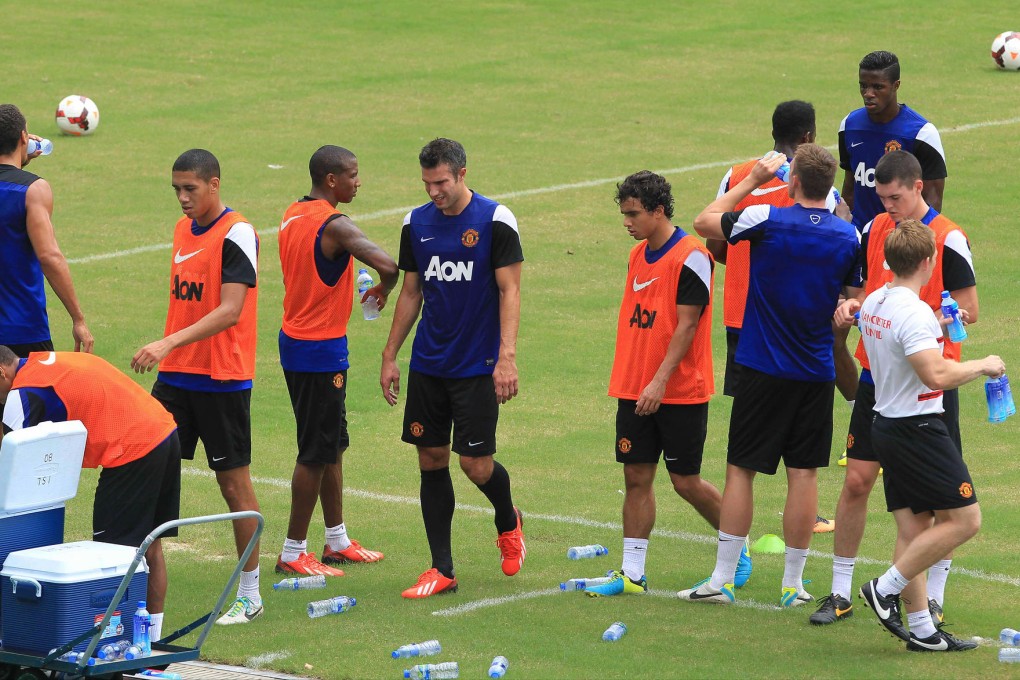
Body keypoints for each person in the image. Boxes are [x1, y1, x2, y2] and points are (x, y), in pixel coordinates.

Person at [679, 144, 860, 607]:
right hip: (816, 369)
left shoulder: (765, 218)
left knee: (741, 470)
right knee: (804, 475)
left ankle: (721, 580)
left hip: (761, 365)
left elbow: (704, 222)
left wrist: (754, 179)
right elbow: (854, 298)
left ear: (793, 180)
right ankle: (794, 586)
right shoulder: (847, 236)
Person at [813, 150, 978, 626]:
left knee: (941, 500)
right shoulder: (875, 231)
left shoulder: (948, 239)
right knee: (857, 480)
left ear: (918, 187)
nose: (888, 206)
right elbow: (863, 292)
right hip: (878, 378)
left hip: (931, 385)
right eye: (881, 197)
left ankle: (934, 597)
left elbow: (970, 309)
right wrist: (852, 308)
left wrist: (940, 316)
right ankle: (841, 590)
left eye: (896, 197)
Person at [585, 170, 751, 598]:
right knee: (636, 476)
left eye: (634, 213)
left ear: (659, 211)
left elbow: (687, 325)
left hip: (679, 389)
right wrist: (640, 380)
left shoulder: (693, 255)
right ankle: (632, 575)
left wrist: (659, 381)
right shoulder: (637, 255)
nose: (627, 222)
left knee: (685, 481)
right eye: (623, 213)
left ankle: (737, 543)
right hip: (632, 384)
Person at [380, 138, 525, 599]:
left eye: (441, 182)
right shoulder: (415, 223)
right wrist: (390, 355)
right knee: (431, 458)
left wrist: (506, 358)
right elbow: (410, 291)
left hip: (477, 365)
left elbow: (510, 291)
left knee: (476, 465)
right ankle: (442, 568)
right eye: (427, 183)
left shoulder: (494, 220)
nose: (433, 192)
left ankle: (508, 520)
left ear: (462, 174)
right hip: (429, 363)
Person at [706, 101, 854, 535]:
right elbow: (844, 249)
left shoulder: (738, 176)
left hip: (745, 323)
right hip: (807, 330)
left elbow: (714, 245)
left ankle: (731, 555)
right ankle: (803, 528)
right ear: (809, 137)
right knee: (802, 456)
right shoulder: (825, 189)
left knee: (746, 444)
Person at [854, 220, 1001, 652]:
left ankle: (923, 631)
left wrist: (934, 324)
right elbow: (935, 372)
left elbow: (902, 346)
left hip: (885, 424)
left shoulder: (876, 300)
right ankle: (884, 588)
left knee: (915, 528)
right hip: (917, 428)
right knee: (965, 519)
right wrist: (983, 365)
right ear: (928, 261)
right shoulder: (912, 311)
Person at [131, 149, 264, 625]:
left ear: (214, 184)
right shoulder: (182, 229)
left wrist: (167, 342)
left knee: (233, 486)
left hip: (222, 377)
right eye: (177, 190)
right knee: (144, 471)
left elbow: (230, 309)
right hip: (176, 378)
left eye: (191, 189)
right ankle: (138, 592)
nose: (183, 199)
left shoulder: (238, 233)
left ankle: (249, 594)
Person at [0, 347, 179, 643]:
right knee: (151, 547)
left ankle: (118, 645)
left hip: (132, 449)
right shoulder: (43, 361)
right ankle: (152, 641)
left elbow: (8, 460)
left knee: (110, 557)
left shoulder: (23, 392)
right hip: (163, 431)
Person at [275, 145, 397, 576]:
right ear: (331, 180)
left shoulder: (292, 213)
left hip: (295, 340)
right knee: (314, 452)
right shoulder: (336, 224)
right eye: (352, 174)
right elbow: (389, 265)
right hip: (319, 352)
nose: (358, 181)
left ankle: (336, 539)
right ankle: (292, 551)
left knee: (331, 446)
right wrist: (383, 288)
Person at [0, 104, 93, 357]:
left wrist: (20, 159)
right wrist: (78, 319)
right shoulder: (33, 190)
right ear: (23, 138)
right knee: (28, 397)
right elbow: (49, 257)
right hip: (21, 331)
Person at [838, 50, 947, 231]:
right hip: (859, 237)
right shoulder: (849, 125)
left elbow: (932, 202)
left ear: (896, 85)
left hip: (901, 240)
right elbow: (850, 187)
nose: (868, 93)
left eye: (878, 87)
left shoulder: (922, 134)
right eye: (863, 86)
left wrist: (910, 244)